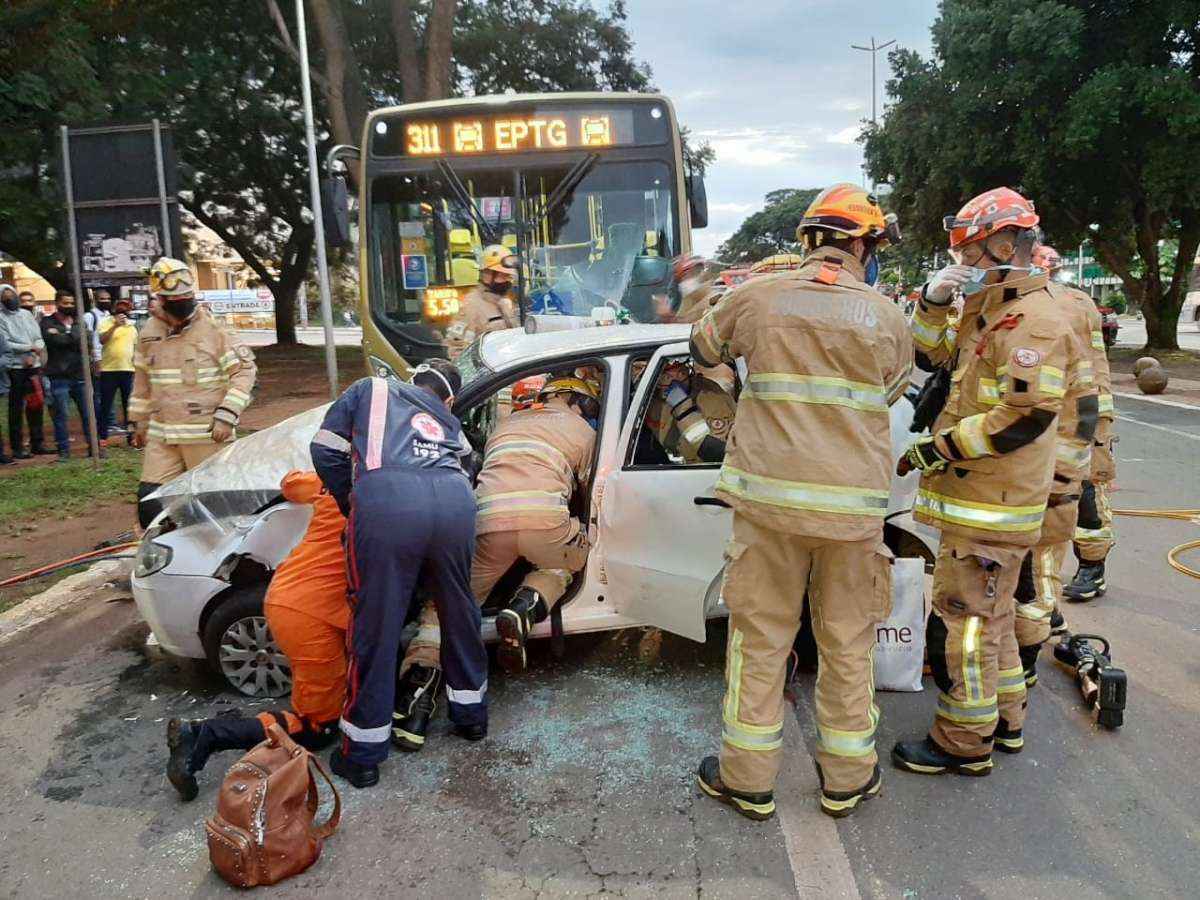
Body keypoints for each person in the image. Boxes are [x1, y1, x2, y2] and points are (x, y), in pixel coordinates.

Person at [690, 183, 911, 821]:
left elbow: (701, 350)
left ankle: (748, 781)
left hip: (768, 510)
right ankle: (847, 779)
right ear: (864, 244)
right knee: (846, 645)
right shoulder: (888, 316)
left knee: (760, 642)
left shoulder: (756, 297)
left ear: (809, 239)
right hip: (852, 516)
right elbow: (891, 391)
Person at [894, 188, 1070, 777]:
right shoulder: (991, 310)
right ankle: (1009, 721)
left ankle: (963, 743)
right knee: (991, 622)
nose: (963, 267)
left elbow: (1024, 417)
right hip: (977, 501)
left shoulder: (1035, 321)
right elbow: (930, 354)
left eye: (968, 256)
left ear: (1001, 244)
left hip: (991, 506)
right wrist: (933, 300)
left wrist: (936, 449)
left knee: (967, 626)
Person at [394, 375, 599, 750]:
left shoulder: (505, 424)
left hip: (486, 521)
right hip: (545, 523)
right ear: (579, 403)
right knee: (566, 563)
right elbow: (591, 492)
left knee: (445, 610)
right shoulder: (584, 433)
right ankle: (524, 607)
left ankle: (414, 706)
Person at [311, 360, 488, 788]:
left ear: (413, 381)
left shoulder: (369, 388)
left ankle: (363, 754)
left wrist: (351, 501)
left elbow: (326, 448)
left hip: (388, 501)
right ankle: (472, 718)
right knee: (458, 610)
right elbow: (471, 464)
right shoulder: (449, 422)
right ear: (447, 398)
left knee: (377, 622)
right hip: (453, 502)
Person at [166, 471, 350, 800]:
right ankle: (202, 735)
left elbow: (292, 484)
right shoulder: (381, 497)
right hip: (312, 613)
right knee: (318, 727)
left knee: (324, 698)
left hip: (287, 591)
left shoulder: (337, 478)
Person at [994, 244, 1098, 749]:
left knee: (1032, 583)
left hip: (1043, 473)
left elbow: (1041, 408)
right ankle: (1022, 669)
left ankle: (1024, 669)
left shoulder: (1043, 316)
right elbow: (1088, 400)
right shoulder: (1066, 308)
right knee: (1039, 576)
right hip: (1056, 470)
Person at [129, 258, 256, 527]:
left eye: (187, 295)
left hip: (206, 433)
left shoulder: (214, 329)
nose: (183, 300)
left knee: (216, 508)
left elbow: (244, 372)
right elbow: (142, 381)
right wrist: (138, 421)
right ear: (160, 298)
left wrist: (227, 414)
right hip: (163, 434)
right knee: (150, 504)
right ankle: (160, 558)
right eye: (175, 296)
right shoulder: (149, 333)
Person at [40, 290, 100, 461]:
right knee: (61, 415)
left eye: (72, 303)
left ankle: (94, 448)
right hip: (59, 376)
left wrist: (64, 336)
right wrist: (72, 337)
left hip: (80, 375)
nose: (69, 306)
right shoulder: (46, 321)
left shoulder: (79, 321)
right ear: (58, 303)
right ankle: (64, 452)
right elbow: (54, 342)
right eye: (66, 303)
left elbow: (85, 340)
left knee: (89, 414)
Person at [645, 359, 737, 464]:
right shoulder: (652, 399)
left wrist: (684, 411)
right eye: (667, 377)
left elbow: (719, 454)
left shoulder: (709, 397)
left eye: (682, 373)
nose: (676, 381)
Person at [1, 283, 50, 459]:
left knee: (36, 404)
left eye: (11, 295)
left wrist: (35, 349)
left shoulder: (27, 315)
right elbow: (5, 342)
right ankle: (17, 447)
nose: (9, 299)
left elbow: (39, 337)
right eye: (5, 297)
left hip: (33, 365)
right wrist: (28, 349)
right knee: (16, 408)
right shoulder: (1, 317)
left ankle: (38, 443)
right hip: (15, 368)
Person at [97, 298, 138, 444]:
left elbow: (135, 348)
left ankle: (131, 436)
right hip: (109, 370)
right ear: (115, 310)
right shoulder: (105, 322)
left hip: (128, 370)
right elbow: (102, 340)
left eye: (126, 310)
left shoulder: (132, 328)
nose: (123, 313)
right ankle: (102, 436)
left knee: (130, 405)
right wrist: (115, 325)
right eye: (120, 310)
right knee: (106, 405)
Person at [462, 244, 519, 341]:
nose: (507, 280)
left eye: (508, 276)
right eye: (503, 275)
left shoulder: (505, 303)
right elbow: (458, 348)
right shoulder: (470, 306)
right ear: (487, 274)